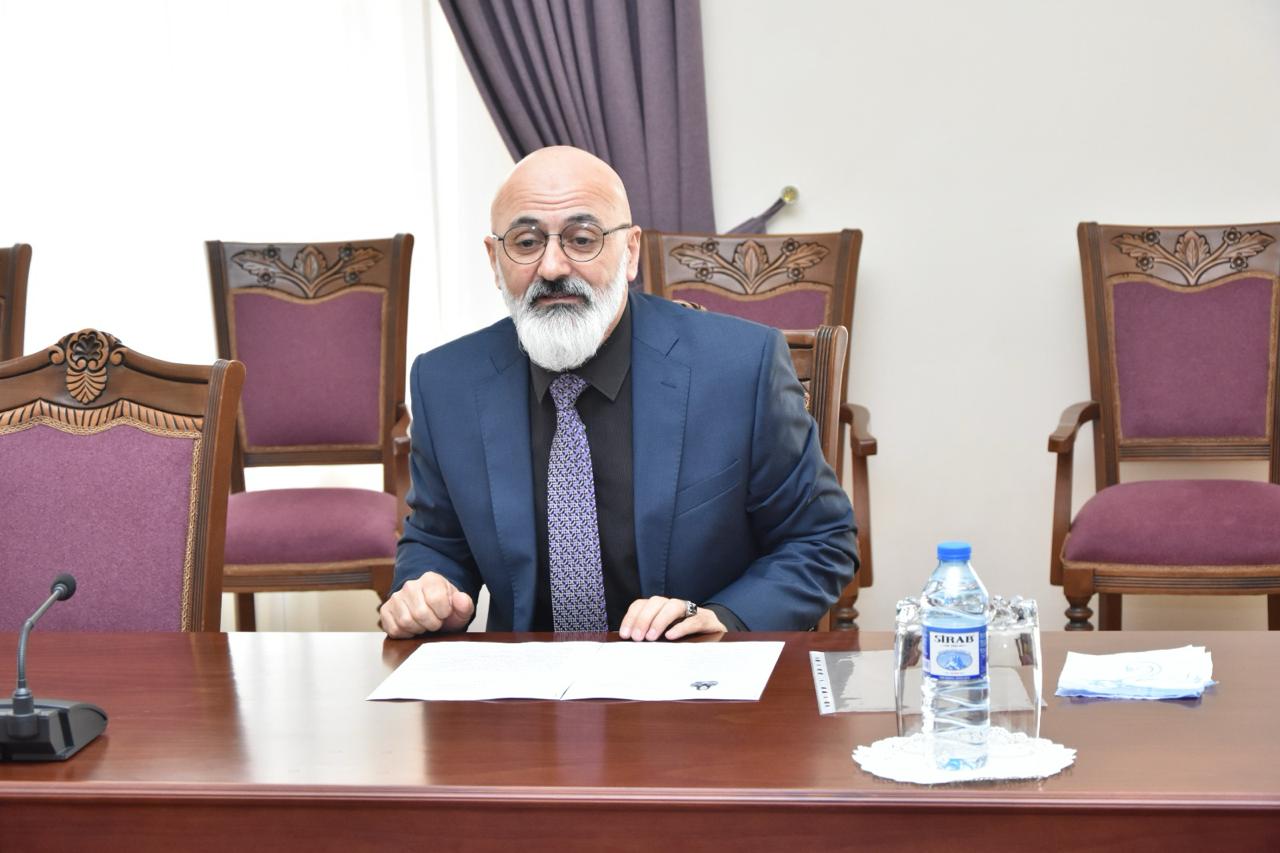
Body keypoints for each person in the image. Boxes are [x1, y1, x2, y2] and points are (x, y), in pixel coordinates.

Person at [380, 146, 856, 641]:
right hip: (527, 680)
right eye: (526, 242)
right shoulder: (447, 383)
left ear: (630, 251)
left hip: (692, 674)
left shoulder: (740, 367)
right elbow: (437, 541)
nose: (552, 267)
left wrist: (724, 617)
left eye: (582, 239)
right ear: (495, 261)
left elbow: (821, 539)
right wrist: (428, 591)